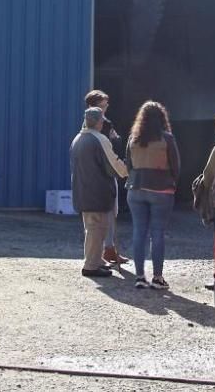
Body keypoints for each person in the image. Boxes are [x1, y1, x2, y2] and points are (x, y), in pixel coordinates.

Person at [125, 101, 180, 290]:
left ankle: (139, 276)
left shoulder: (133, 138)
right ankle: (157, 278)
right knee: (157, 234)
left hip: (136, 189)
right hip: (161, 190)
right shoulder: (167, 138)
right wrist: (171, 181)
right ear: (162, 119)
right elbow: (176, 165)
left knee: (139, 232)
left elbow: (129, 165)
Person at [70, 107, 125, 278]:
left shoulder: (78, 139)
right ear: (99, 122)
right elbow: (113, 163)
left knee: (92, 229)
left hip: (82, 190)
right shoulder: (99, 139)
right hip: (97, 192)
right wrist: (127, 171)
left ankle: (95, 260)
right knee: (97, 229)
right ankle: (91, 266)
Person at [85, 89, 129, 265]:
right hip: (106, 172)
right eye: (102, 105)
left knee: (110, 213)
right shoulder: (100, 128)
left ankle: (107, 250)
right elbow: (110, 148)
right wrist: (123, 169)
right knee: (105, 215)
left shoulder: (94, 128)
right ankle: (103, 253)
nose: (106, 108)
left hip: (106, 172)